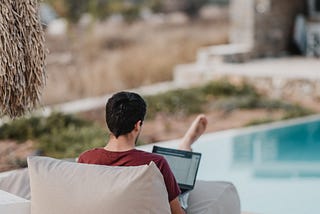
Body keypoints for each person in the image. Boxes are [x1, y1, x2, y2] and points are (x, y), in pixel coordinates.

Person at [78, 91, 207, 214]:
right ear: (138, 125)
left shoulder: (85, 160)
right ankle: (185, 146)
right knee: (183, 198)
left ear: (108, 122)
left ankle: (185, 146)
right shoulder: (154, 164)